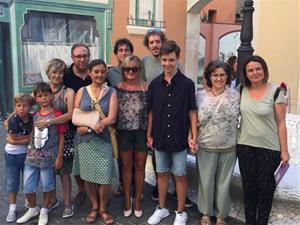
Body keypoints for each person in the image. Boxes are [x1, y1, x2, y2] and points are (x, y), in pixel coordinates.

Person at [147, 40, 197, 225]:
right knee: (161, 173)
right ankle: (162, 208)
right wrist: (149, 134)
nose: (168, 63)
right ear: (160, 60)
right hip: (159, 137)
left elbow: (192, 112)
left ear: (177, 59)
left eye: (171, 60)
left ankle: (181, 212)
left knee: (180, 175)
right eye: (164, 60)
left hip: (179, 138)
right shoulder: (154, 85)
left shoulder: (187, 84)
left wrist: (193, 136)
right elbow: (151, 111)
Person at [237, 55, 290, 225]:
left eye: (258, 69)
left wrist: (284, 151)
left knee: (266, 191)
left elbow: (281, 124)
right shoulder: (241, 90)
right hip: (245, 147)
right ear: (245, 73)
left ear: (264, 70)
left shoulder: (276, 92)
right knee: (249, 190)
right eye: (250, 70)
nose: (254, 73)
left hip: (269, 150)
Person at [193, 60, 240, 225]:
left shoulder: (236, 95)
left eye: (222, 75)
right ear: (209, 76)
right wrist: (191, 137)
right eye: (215, 75)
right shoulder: (199, 96)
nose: (218, 78)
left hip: (229, 146)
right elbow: (192, 120)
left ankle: (221, 214)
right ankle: (206, 212)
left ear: (227, 76)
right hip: (206, 145)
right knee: (205, 181)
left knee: (223, 183)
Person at [72, 59, 117, 224]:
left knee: (104, 178)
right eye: (96, 71)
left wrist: (90, 127)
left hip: (103, 139)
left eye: (102, 71)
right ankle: (94, 206)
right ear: (89, 73)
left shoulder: (111, 92)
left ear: (106, 73)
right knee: (89, 178)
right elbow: (75, 116)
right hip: (84, 142)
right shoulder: (81, 91)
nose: (99, 74)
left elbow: (111, 118)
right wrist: (89, 126)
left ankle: (104, 208)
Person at [16, 82, 65, 225]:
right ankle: (32, 209)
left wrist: (59, 157)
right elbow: (30, 134)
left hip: (48, 158)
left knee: (47, 185)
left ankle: (44, 210)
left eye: (46, 95)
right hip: (31, 157)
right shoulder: (34, 115)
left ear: (51, 96)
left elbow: (61, 137)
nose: (44, 98)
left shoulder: (57, 115)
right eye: (40, 96)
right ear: (36, 98)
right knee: (27, 186)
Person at [35, 59, 75, 218]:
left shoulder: (68, 92)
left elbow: (70, 114)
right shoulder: (43, 89)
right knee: (48, 171)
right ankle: (52, 200)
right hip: (45, 138)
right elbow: (28, 103)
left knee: (64, 171)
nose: (57, 75)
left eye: (60, 72)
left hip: (63, 136)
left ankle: (67, 204)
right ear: (48, 73)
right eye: (54, 72)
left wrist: (49, 121)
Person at [115, 55, 148, 218]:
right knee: (126, 166)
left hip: (142, 132)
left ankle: (138, 200)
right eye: (127, 68)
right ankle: (127, 198)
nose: (131, 71)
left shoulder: (147, 88)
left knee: (140, 167)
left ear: (139, 70)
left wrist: (151, 134)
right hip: (123, 133)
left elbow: (152, 113)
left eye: (134, 68)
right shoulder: (117, 87)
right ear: (123, 70)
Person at [63, 43, 91, 205]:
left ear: (89, 56)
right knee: (76, 162)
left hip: (92, 126)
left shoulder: (96, 72)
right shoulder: (65, 75)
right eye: (78, 56)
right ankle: (82, 190)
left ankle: (94, 191)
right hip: (71, 127)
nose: (82, 59)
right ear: (72, 58)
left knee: (92, 161)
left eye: (85, 56)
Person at [4, 94, 34, 223]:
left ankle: (29, 203)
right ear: (15, 107)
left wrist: (20, 140)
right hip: (11, 154)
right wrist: (28, 139)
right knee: (12, 181)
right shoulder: (13, 120)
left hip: (27, 154)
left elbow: (18, 139)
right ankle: (12, 207)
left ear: (30, 107)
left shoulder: (32, 118)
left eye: (25, 105)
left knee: (27, 180)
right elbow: (14, 138)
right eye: (18, 106)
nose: (21, 108)